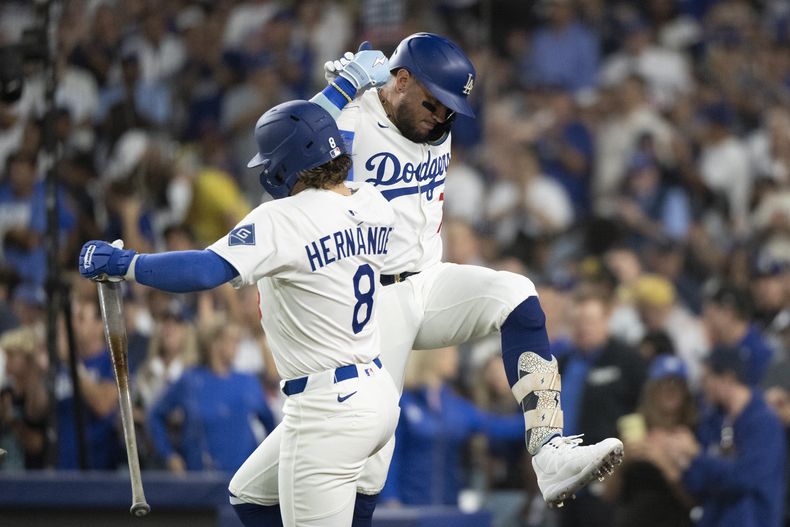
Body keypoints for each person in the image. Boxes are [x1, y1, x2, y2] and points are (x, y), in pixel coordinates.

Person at [229, 33, 623, 527]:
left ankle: (548, 453)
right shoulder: (354, 118)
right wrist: (343, 89)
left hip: (428, 281)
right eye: (433, 103)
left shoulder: (434, 121)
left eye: (451, 109)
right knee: (360, 468)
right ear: (401, 80)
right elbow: (291, 142)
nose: (440, 117)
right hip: (374, 301)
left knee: (518, 294)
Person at [78, 99, 400, 526]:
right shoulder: (374, 201)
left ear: (285, 164)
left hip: (328, 406)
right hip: (378, 393)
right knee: (249, 494)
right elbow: (320, 151)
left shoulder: (281, 218)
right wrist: (340, 94)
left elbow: (206, 268)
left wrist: (128, 265)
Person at [660, 344, 787, 527]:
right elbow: (698, 483)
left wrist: (696, 455)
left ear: (728, 378)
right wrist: (681, 462)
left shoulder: (764, 422)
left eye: (708, 378)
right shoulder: (712, 420)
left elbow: (745, 478)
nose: (703, 385)